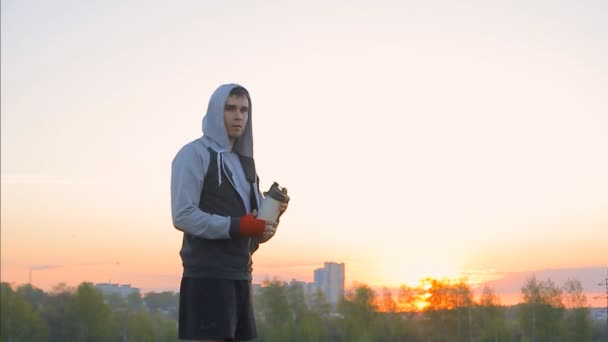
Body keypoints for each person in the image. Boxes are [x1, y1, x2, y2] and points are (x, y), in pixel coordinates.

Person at [171, 83, 287, 341]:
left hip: (241, 276)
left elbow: (257, 234)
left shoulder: (245, 165)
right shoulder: (193, 155)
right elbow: (182, 215)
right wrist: (238, 226)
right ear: (216, 111)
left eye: (244, 110)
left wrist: (273, 215)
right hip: (207, 278)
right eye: (230, 108)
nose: (238, 116)